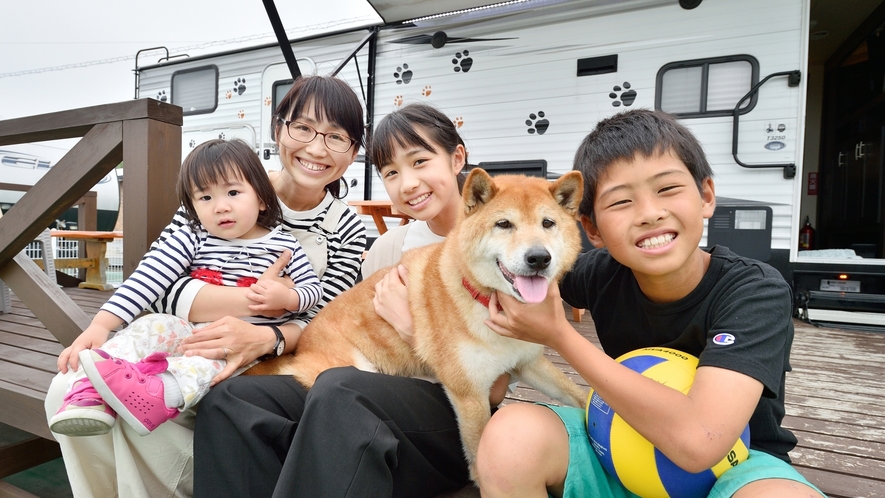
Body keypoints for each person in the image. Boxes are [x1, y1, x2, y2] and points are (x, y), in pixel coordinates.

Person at [43, 75, 367, 497]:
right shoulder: (222, 182)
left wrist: (264, 335)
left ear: (354, 151)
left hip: (272, 359)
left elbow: (327, 318)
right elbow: (161, 283)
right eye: (303, 127)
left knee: (167, 405)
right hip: (186, 333)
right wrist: (248, 302)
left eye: (336, 137)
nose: (317, 148)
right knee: (65, 388)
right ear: (278, 129)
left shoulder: (347, 229)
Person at [476, 109, 825, 497]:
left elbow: (700, 443)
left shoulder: (754, 291)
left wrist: (560, 335)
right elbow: (485, 268)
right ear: (592, 228)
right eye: (621, 201)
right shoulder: (598, 272)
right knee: (510, 437)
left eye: (667, 189)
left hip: (736, 466)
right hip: (615, 444)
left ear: (707, 196)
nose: (650, 214)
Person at [192, 102, 486, 497]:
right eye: (392, 172)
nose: (409, 183)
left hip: (453, 414)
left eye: (420, 161)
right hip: (369, 392)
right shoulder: (388, 247)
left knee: (341, 389)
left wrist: (411, 328)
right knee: (230, 399)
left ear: (457, 158)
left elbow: (495, 387)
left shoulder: (498, 241)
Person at [48, 138, 322, 437]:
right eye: (204, 198)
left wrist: (289, 297)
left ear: (261, 198)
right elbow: (148, 276)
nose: (220, 207)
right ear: (191, 205)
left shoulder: (284, 244)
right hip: (187, 331)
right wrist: (101, 325)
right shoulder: (192, 236)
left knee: (207, 367)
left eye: (233, 192)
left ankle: (158, 395)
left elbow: (313, 291)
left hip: (241, 348)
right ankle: (93, 387)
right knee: (151, 325)